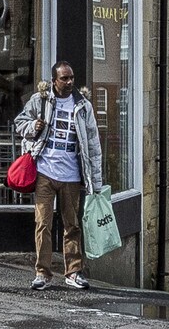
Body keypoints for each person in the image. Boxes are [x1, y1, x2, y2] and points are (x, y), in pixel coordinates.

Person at [13, 59, 103, 291]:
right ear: (54, 80)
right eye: (64, 78)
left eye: (71, 77)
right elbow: (19, 123)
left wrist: (96, 180)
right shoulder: (40, 100)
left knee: (71, 225)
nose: (69, 81)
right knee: (43, 223)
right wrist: (34, 126)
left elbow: (93, 144)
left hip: (72, 175)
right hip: (44, 171)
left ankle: (73, 272)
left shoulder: (83, 106)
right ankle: (42, 273)